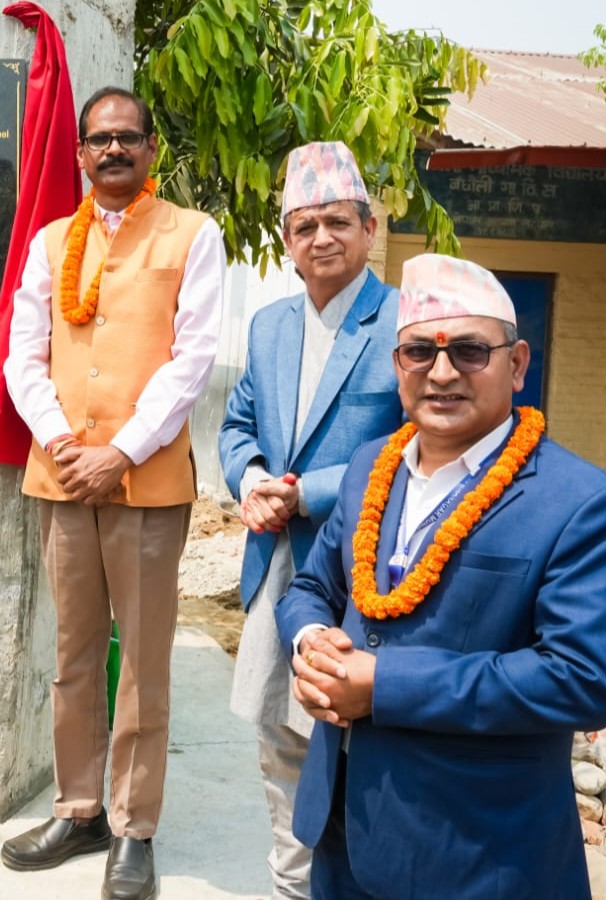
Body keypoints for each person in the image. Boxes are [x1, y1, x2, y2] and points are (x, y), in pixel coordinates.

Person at [277, 254, 606, 899]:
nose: (441, 372)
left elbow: (582, 679)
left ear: (518, 364)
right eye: (419, 351)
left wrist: (384, 684)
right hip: (343, 821)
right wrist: (311, 642)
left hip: (478, 853)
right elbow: (313, 587)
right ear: (398, 366)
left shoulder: (583, 504)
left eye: (470, 352)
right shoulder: (372, 466)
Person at [0, 86, 223, 900]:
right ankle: (78, 807)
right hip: (63, 476)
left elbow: (192, 357)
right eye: (101, 139)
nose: (115, 150)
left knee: (144, 666)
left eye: (130, 137)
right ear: (81, 154)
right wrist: (64, 443)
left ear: (152, 150)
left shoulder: (193, 236)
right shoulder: (52, 243)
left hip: (148, 484)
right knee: (72, 658)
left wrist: (121, 450)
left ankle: (134, 827)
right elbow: (24, 354)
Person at [216, 141, 404, 900]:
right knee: (279, 744)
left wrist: (307, 493)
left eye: (337, 221)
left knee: (354, 746)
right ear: (286, 239)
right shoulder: (269, 325)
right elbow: (236, 424)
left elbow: (412, 439)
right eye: (304, 225)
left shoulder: (401, 322)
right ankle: (292, 887)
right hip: (278, 569)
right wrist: (254, 479)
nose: (321, 237)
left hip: (369, 573)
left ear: (369, 227)